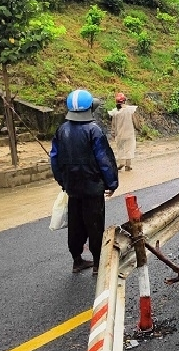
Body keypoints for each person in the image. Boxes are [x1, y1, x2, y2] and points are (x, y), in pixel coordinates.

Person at [50, 90, 119, 275]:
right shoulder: (94, 130)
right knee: (94, 224)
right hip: (93, 188)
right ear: (89, 108)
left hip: (72, 187)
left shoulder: (61, 130)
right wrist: (112, 183)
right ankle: (97, 264)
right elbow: (104, 159)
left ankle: (77, 260)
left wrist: (62, 181)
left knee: (76, 224)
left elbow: (54, 158)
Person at [108, 92, 138, 171]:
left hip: (120, 135)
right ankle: (128, 165)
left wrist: (113, 134)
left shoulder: (115, 112)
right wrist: (137, 128)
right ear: (124, 101)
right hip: (129, 134)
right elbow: (135, 122)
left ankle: (121, 163)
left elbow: (113, 125)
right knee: (129, 149)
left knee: (120, 149)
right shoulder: (131, 110)